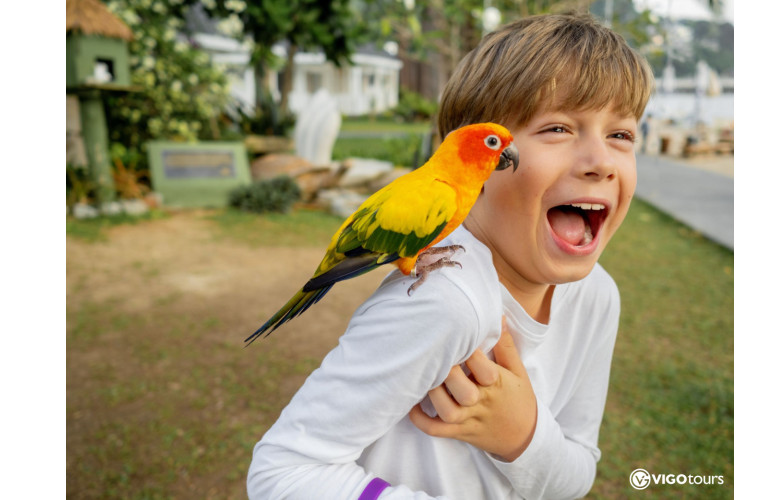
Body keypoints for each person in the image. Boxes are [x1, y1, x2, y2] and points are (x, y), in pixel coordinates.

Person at [247, 12, 653, 500]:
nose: (601, 162)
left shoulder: (598, 296)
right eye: (558, 128)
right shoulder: (443, 303)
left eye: (621, 135)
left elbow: (578, 469)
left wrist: (524, 436)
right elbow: (282, 473)